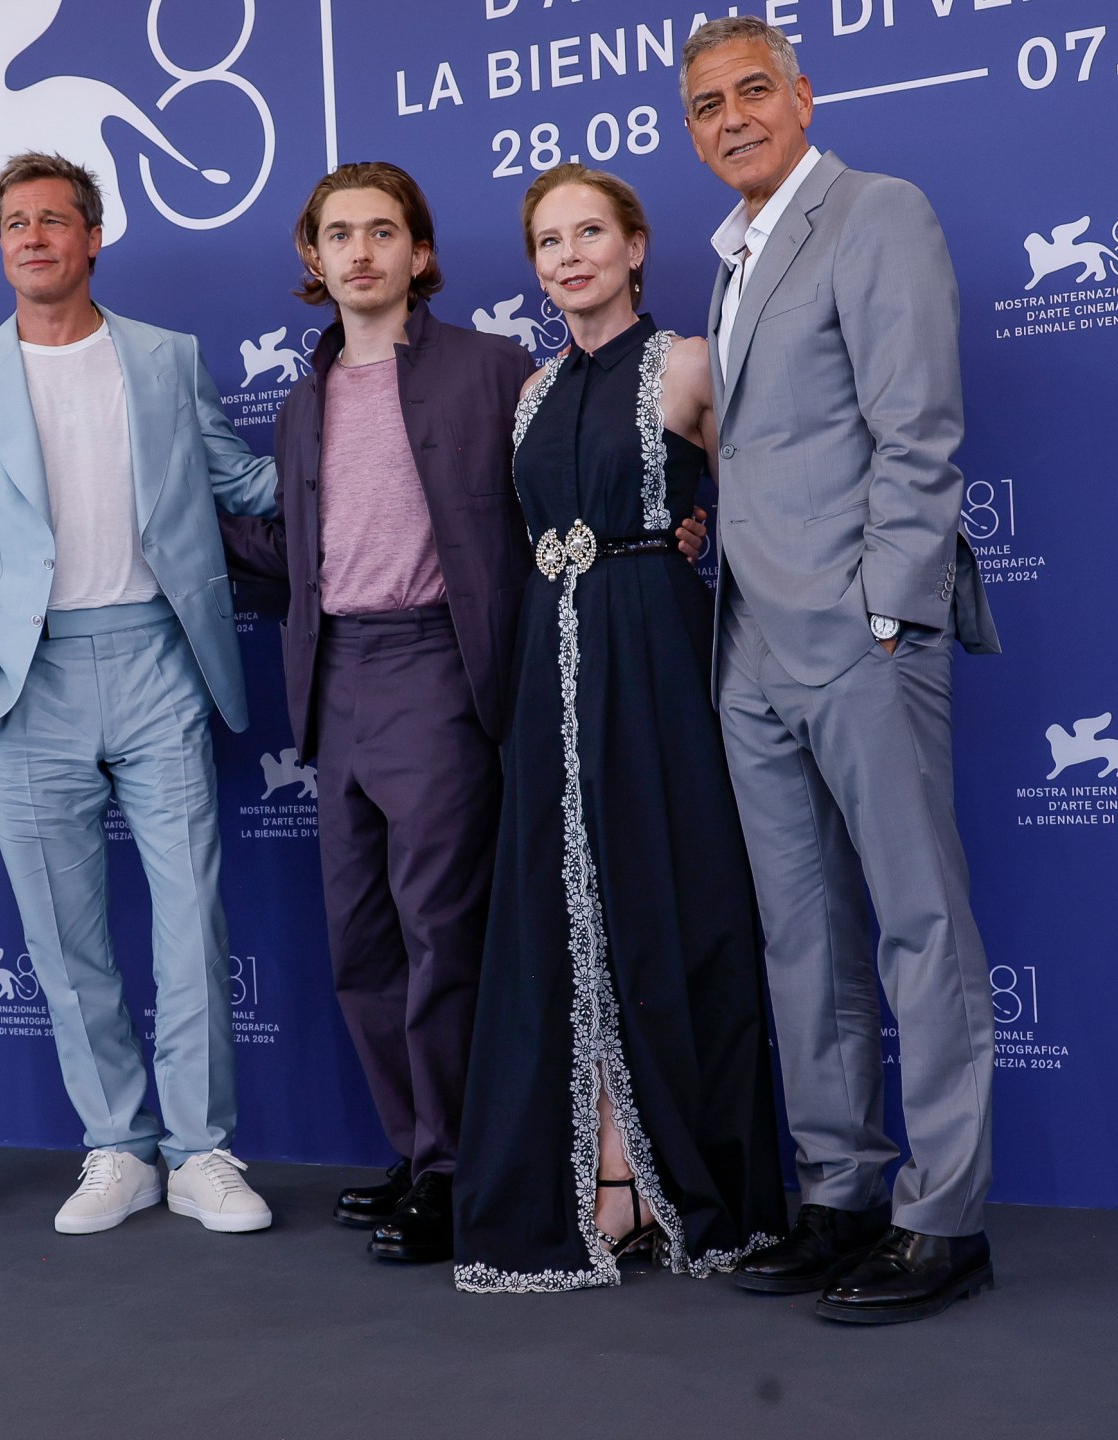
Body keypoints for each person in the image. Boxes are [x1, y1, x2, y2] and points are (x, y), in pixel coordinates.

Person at [678, 17, 1004, 1324]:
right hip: (748, 634)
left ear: (805, 98)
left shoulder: (876, 213)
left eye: (753, 91)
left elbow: (916, 427)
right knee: (801, 932)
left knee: (919, 920)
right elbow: (766, 441)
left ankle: (945, 1218)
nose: (731, 117)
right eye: (705, 105)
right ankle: (840, 1194)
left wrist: (888, 608)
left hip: (861, 632)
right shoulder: (734, 253)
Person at [0, 152, 279, 1237]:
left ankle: (202, 1148)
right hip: (25, 686)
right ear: (1, 244)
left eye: (54, 221)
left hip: (160, 657)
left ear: (91, 236)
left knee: (190, 919)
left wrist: (369, 441)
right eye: (14, 223)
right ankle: (116, 1146)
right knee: (65, 939)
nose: (33, 238)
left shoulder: (166, 357)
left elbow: (242, 482)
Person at [451, 164, 787, 1294]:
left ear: (636, 247)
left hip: (654, 651)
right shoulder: (531, 392)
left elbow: (758, 507)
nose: (569, 256)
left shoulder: (690, 363)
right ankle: (598, 1161)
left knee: (665, 892)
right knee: (558, 907)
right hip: (549, 663)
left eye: (590, 232)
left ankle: (671, 1175)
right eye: (549, 241)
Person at [216, 163, 534, 1265]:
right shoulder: (302, 402)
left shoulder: (493, 371)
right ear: (313, 259)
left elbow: (560, 494)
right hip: (330, 677)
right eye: (338, 234)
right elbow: (295, 557)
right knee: (361, 943)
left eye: (383, 232)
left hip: (438, 666)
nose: (360, 252)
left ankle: (458, 1171)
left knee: (442, 930)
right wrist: (164, 520)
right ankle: (417, 1149)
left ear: (420, 254)